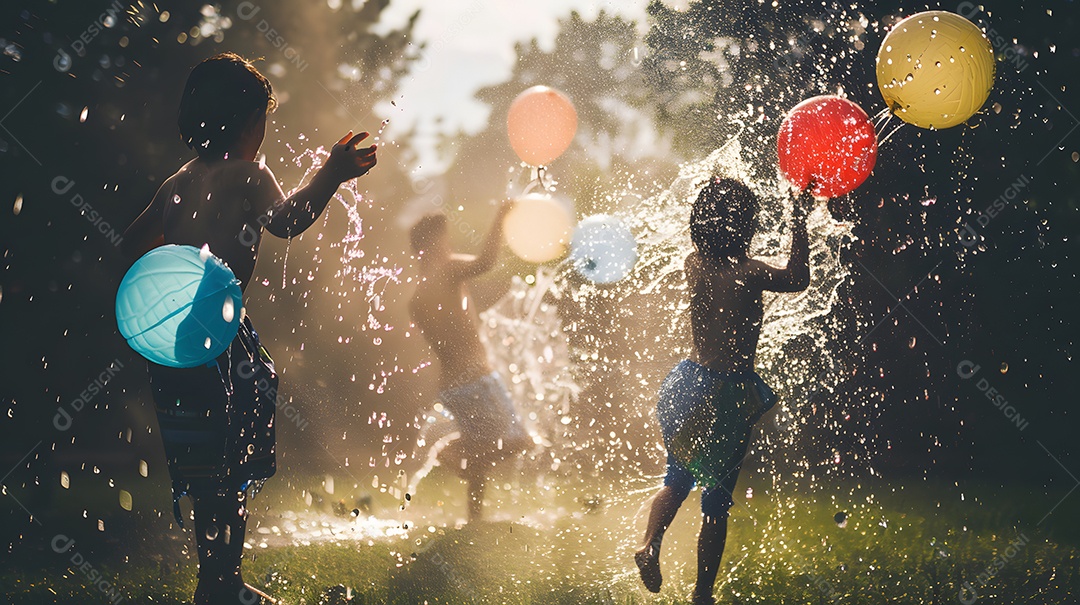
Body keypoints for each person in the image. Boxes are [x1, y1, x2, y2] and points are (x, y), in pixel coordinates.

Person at [122, 52, 377, 605]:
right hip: (219, 339)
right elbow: (287, 223)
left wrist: (170, 277)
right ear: (246, 123)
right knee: (229, 462)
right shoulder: (249, 173)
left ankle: (215, 582)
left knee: (204, 465)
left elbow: (129, 244)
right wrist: (330, 176)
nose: (264, 134)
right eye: (263, 121)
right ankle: (223, 585)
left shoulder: (177, 182)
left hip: (175, 342)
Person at [634, 178, 814, 605]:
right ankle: (702, 594)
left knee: (676, 479)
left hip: (687, 384)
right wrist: (800, 219)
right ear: (746, 226)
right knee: (715, 502)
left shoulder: (692, 262)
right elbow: (797, 278)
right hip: (727, 396)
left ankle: (649, 544)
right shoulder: (750, 271)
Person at [407, 204, 528, 522]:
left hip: (450, 385)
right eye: (444, 240)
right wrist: (501, 217)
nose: (448, 245)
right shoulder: (447, 269)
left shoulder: (416, 298)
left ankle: (475, 517)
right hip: (476, 378)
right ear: (432, 245)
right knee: (516, 439)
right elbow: (486, 262)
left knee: (480, 448)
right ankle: (448, 454)